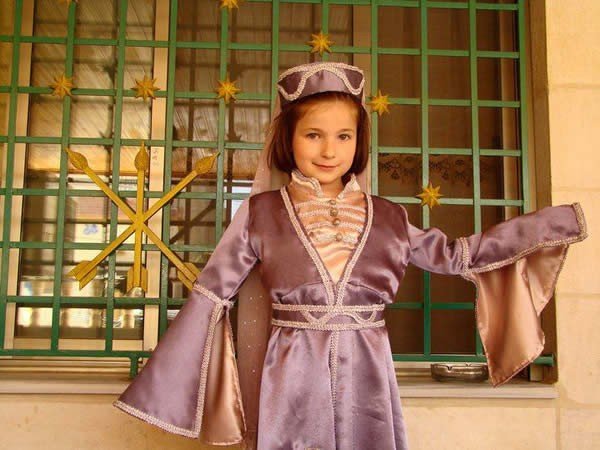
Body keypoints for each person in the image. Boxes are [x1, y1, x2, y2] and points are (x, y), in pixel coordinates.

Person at [113, 62, 588, 450]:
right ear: (288, 139)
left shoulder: (389, 216)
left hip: (368, 368)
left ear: (359, 142)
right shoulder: (261, 213)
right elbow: (212, 292)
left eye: (344, 136)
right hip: (292, 368)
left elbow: (457, 256)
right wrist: (166, 388)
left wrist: (548, 227)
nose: (329, 150)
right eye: (313, 135)